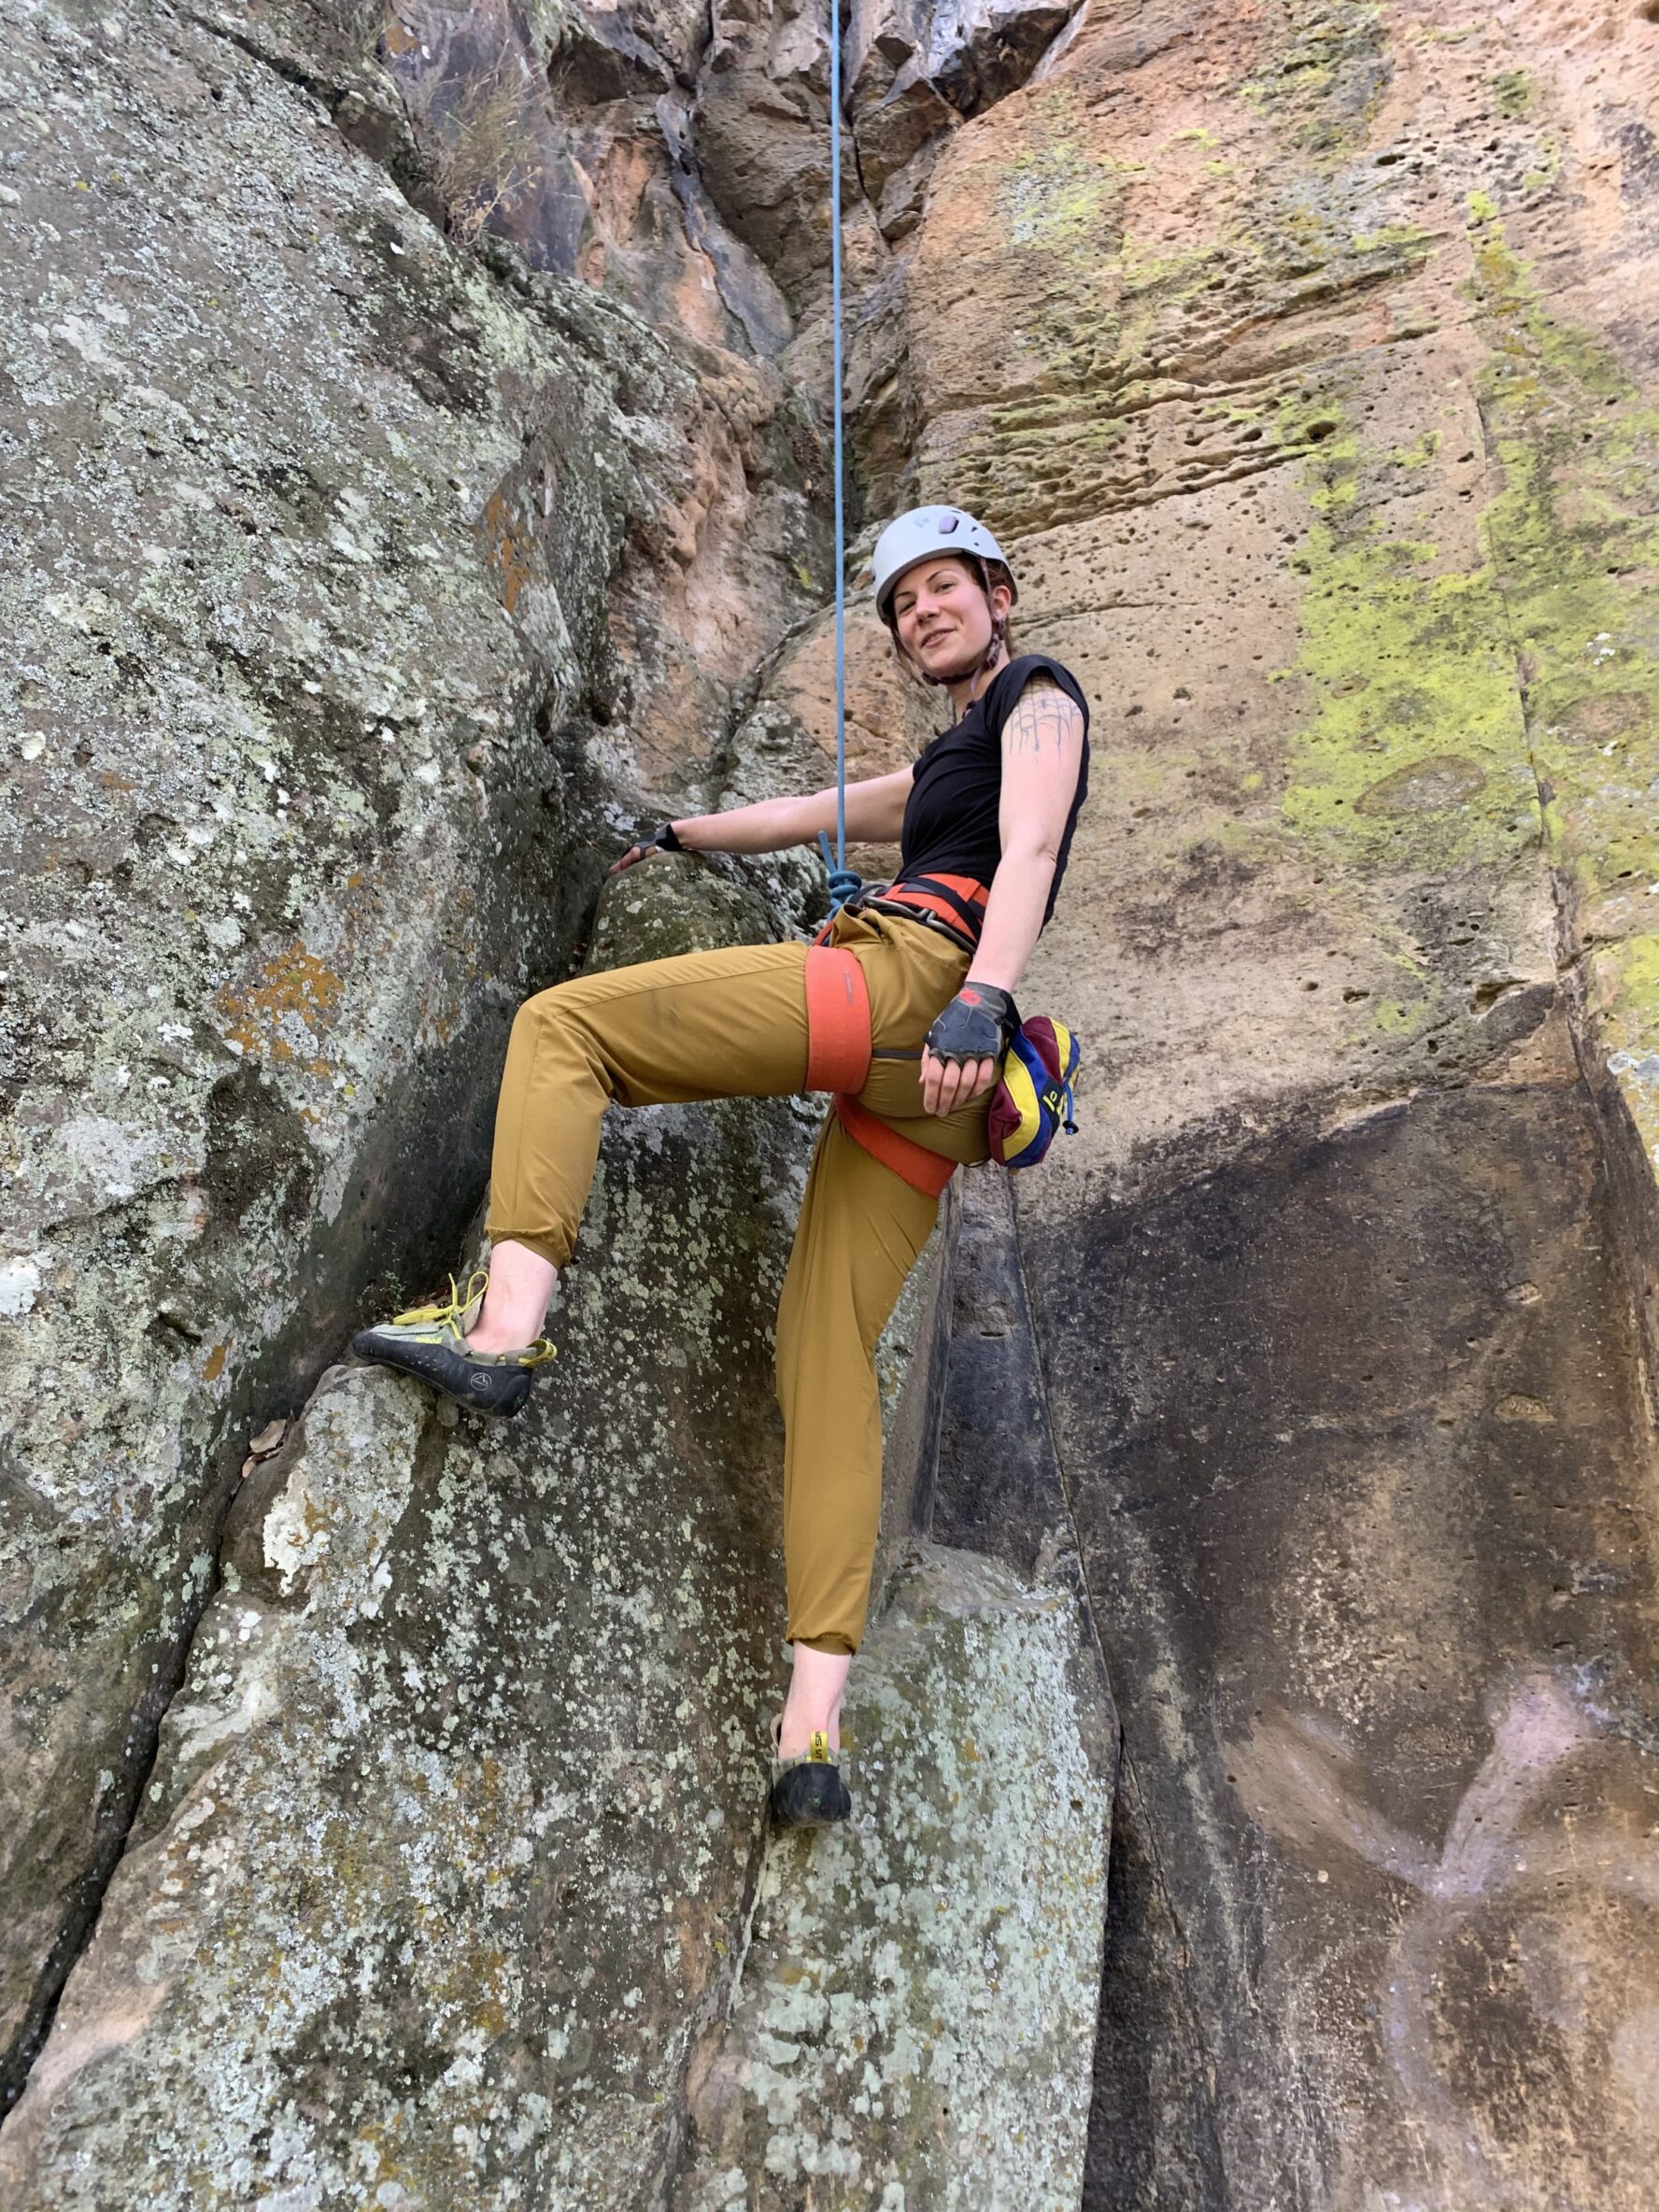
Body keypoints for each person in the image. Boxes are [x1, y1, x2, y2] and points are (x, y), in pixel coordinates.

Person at [353, 504, 1091, 1827]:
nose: (923, 612)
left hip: (923, 999)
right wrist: (687, 836)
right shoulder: (945, 767)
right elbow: (817, 813)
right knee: (823, 1358)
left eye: (943, 589)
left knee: (565, 1026)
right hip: (929, 1102)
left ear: (1001, 594)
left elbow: (1031, 846)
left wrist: (982, 997)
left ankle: (504, 1326)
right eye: (903, 602)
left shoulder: (1040, 701)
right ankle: (811, 1735)